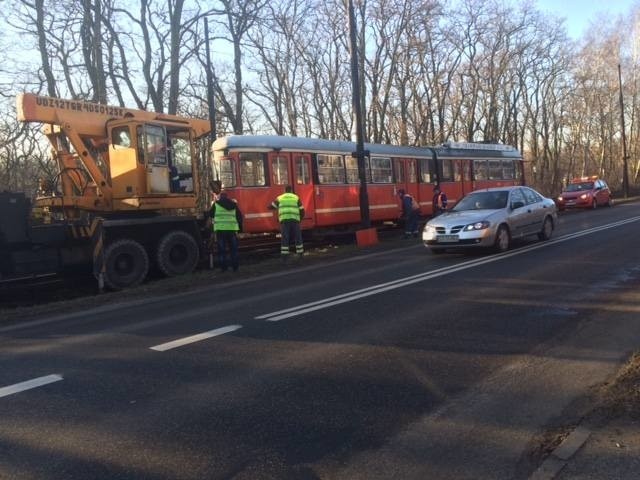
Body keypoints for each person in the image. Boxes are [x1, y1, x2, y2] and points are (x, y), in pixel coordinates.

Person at [210, 190, 243, 272]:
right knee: (234, 250)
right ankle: (235, 267)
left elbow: (210, 214)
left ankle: (224, 268)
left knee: (222, 250)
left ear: (220, 197)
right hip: (232, 230)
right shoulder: (233, 204)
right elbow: (239, 217)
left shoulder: (216, 204)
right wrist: (240, 230)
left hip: (221, 231)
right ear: (227, 197)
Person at [270, 185, 304, 260]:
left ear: (284, 190)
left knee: (285, 238)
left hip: (285, 221)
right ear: (291, 190)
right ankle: (300, 253)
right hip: (295, 220)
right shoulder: (296, 197)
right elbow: (302, 210)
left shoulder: (280, 197)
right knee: (298, 237)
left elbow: (272, 206)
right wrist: (299, 219)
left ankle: (285, 256)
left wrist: (270, 207)